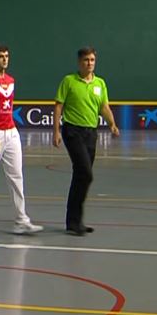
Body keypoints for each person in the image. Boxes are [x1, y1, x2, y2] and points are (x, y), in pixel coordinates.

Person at [0, 44, 42, 235]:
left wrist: (10, 130)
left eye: (7, 56)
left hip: (11, 133)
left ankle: (21, 219)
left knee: (16, 177)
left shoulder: (11, 81)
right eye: (1, 56)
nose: (5, 59)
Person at [52, 47, 119, 237]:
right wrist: (56, 131)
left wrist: (112, 124)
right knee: (85, 173)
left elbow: (104, 107)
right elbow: (59, 106)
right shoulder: (69, 81)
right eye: (86, 60)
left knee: (81, 176)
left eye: (92, 60)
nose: (89, 63)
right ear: (79, 62)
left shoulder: (100, 84)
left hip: (91, 133)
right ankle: (74, 221)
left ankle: (74, 221)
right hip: (72, 131)